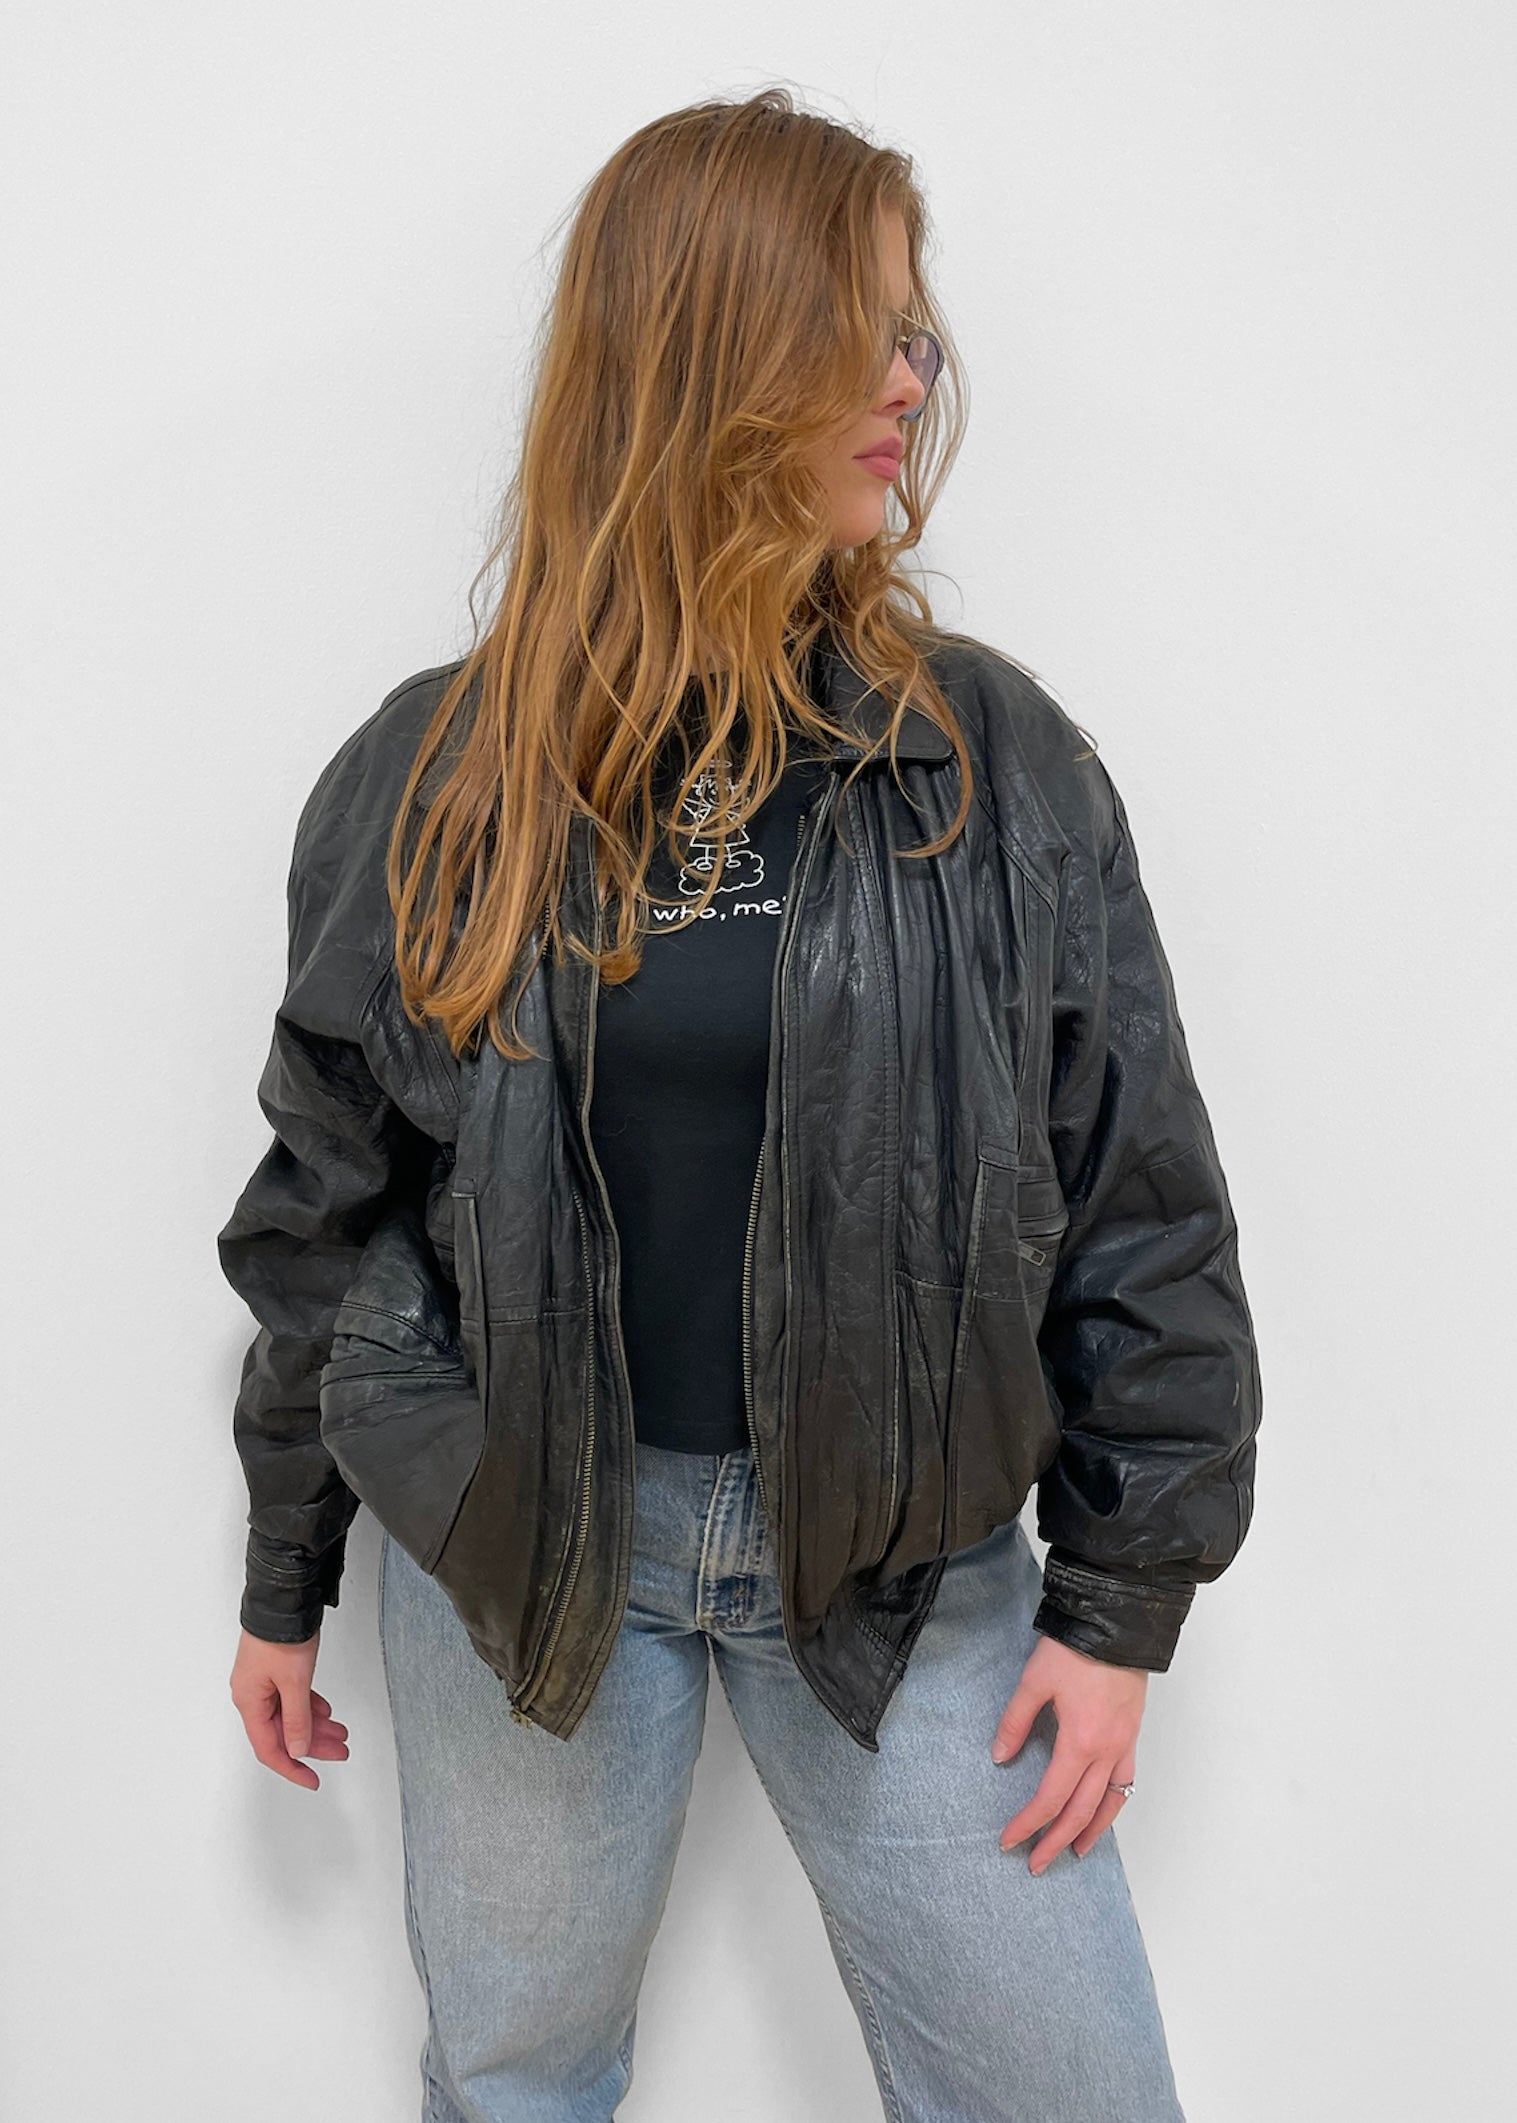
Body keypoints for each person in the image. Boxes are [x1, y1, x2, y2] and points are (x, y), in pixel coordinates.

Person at [220, 87, 1260, 2123]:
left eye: (914, 333)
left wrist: (1120, 1600)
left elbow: (1135, 1188)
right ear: (715, 357)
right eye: (867, 330)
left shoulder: (994, 766)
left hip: (899, 1556)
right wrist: (286, 1567)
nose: (912, 381)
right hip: (527, 1543)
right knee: (515, 2081)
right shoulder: (436, 777)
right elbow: (325, 1205)